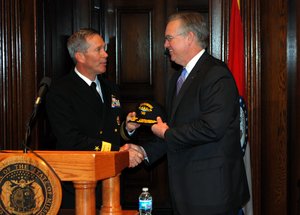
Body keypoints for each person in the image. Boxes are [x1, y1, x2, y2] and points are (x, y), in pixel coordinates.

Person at [121, 12, 250, 215]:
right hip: (185, 192)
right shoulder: (178, 78)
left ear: (189, 37)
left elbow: (211, 128)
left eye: (169, 38)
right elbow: (174, 129)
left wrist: (166, 133)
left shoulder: (216, 74)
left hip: (211, 193)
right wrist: (143, 151)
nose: (165, 45)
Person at [46, 28, 141, 209]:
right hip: (78, 184)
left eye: (104, 48)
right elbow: (70, 139)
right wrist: (118, 152)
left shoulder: (110, 87)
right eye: (98, 49)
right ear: (80, 56)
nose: (106, 54)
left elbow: (113, 129)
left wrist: (128, 128)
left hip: (110, 183)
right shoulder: (61, 91)